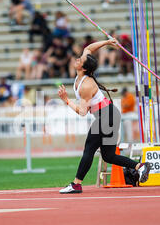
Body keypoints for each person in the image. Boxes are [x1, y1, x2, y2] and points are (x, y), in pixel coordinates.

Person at [57, 38, 151, 194]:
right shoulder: (83, 74)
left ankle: (76, 184)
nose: (78, 58)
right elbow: (88, 48)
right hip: (110, 115)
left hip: (106, 116)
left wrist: (66, 100)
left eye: (81, 59)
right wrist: (107, 42)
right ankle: (139, 166)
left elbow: (82, 112)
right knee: (108, 155)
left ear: (84, 68)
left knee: (89, 148)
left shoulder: (86, 85)